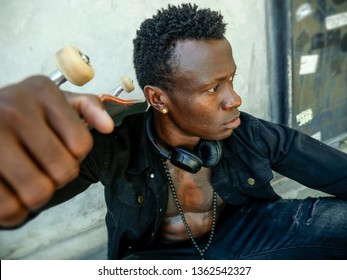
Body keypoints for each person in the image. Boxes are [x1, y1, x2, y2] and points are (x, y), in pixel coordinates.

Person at [1, 3, 347, 260]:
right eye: (212, 88)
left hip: (244, 237)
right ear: (158, 98)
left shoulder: (250, 133)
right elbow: (14, 200)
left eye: (231, 80)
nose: (235, 99)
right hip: (154, 261)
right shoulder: (113, 146)